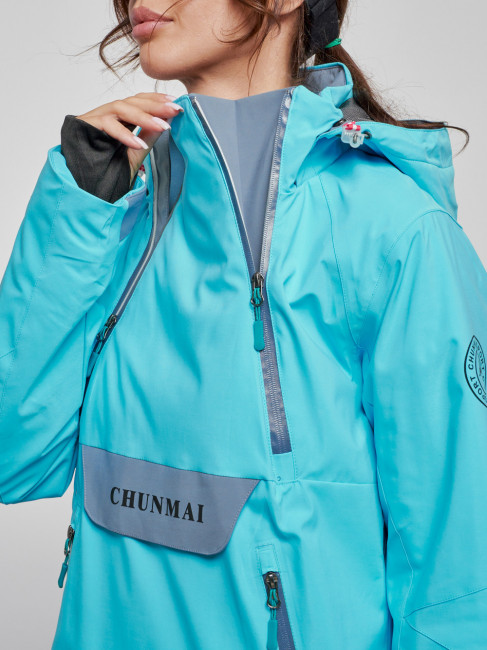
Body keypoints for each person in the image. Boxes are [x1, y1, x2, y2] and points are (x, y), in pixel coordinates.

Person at [1, 0, 486, 648]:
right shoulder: (112, 215)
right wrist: (72, 210)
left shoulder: (393, 229)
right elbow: (14, 458)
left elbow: (458, 579)